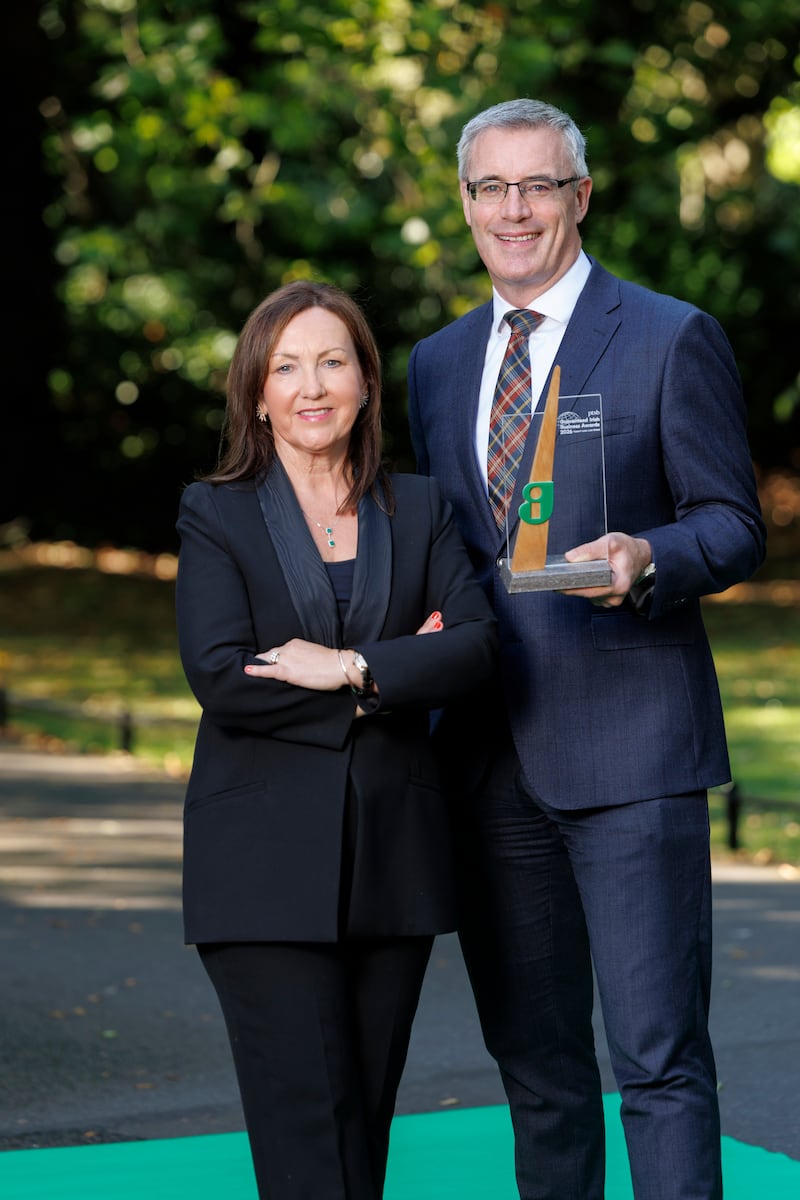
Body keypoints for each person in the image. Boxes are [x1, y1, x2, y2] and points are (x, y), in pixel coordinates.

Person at [407, 99, 766, 1200]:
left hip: (632, 754)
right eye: (489, 189)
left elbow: (731, 522)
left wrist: (646, 559)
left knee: (656, 1063)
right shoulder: (435, 361)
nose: (513, 211)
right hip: (485, 761)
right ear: (464, 204)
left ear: (579, 195)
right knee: (536, 1069)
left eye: (537, 185)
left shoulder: (667, 334)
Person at [175, 279, 497, 1200]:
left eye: (331, 360)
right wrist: (397, 670)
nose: (310, 385)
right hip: (262, 867)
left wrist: (347, 668)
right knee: (307, 1132)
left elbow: (476, 647)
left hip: (395, 855)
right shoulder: (216, 513)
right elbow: (222, 675)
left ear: (364, 380)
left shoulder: (423, 508)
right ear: (257, 390)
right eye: (285, 366)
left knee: (363, 1121)